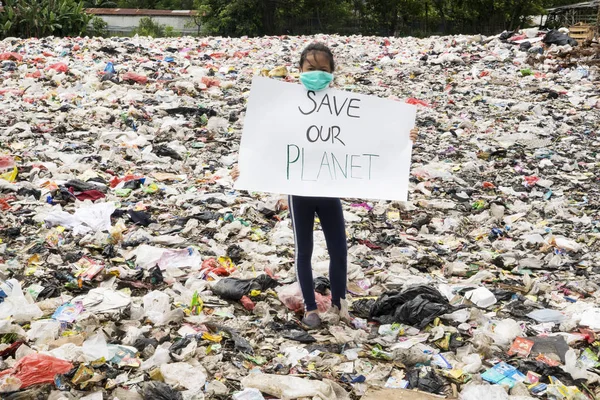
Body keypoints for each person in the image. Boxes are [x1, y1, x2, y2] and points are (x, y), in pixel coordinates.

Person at [233, 42, 418, 329]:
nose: (316, 74)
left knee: (339, 251)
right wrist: (246, 164)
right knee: (303, 251)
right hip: (300, 192)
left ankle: (340, 305)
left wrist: (404, 137)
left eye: (323, 69)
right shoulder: (285, 105)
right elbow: (266, 138)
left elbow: (374, 135)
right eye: (311, 69)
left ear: (332, 73)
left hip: (329, 189)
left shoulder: (346, 108)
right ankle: (310, 308)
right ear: (299, 71)